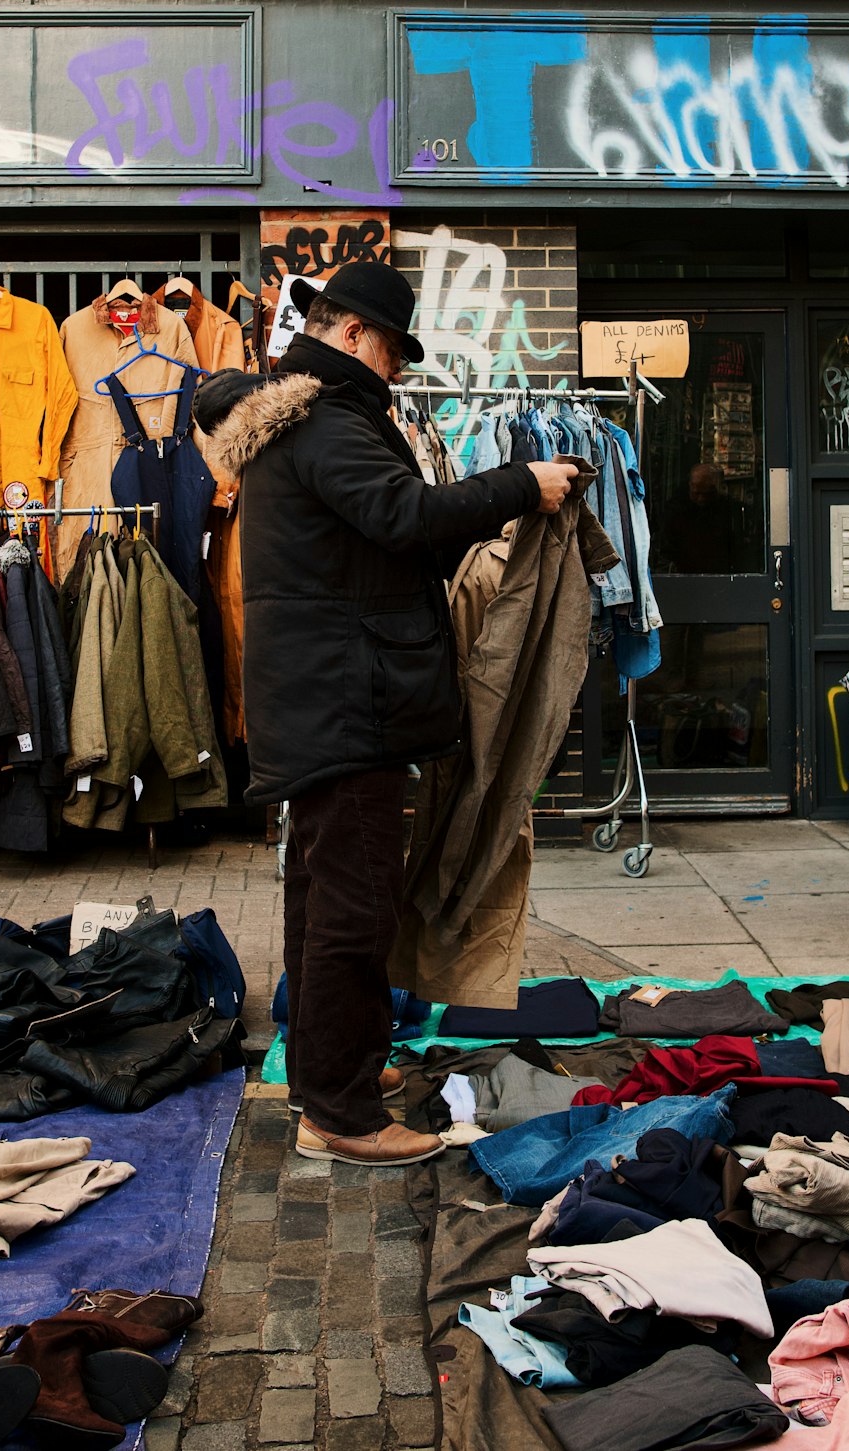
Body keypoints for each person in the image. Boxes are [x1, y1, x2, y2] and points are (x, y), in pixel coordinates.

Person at [197, 262, 577, 1167]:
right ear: (357, 334)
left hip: (329, 699)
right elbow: (406, 516)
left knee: (322, 900)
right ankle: (344, 1116)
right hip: (348, 706)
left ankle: (329, 1075)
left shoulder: (306, 415)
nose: (401, 370)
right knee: (352, 915)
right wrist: (522, 484)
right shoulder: (330, 419)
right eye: (397, 351)